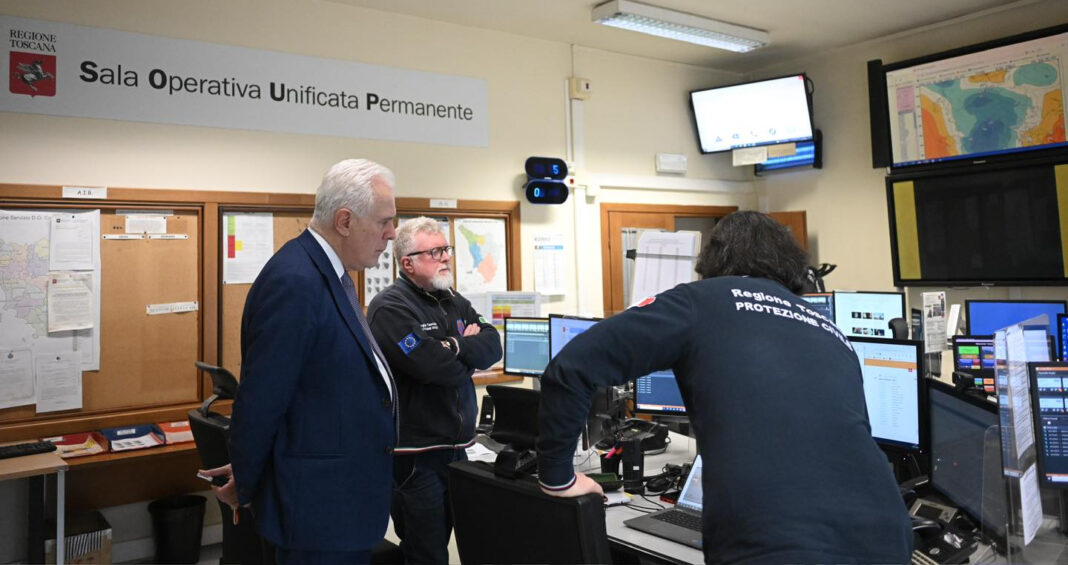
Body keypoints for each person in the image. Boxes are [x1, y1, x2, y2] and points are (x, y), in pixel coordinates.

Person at [535, 211, 912, 564]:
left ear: (712, 262)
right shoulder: (830, 330)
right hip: (886, 532)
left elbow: (571, 367)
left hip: (776, 538)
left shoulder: (699, 301)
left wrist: (557, 478)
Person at [206, 158, 399, 564]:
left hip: (338, 502)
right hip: (317, 512)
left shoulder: (329, 274)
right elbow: (262, 399)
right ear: (345, 220)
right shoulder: (297, 280)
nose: (391, 234)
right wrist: (248, 480)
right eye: (384, 221)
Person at [367, 216, 502, 564]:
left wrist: (452, 348)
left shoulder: (452, 298)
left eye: (447, 249)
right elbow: (431, 367)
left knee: (473, 544)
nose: (446, 257)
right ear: (408, 262)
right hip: (416, 457)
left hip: (457, 450)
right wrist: (463, 349)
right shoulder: (390, 307)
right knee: (426, 554)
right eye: (436, 251)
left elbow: (493, 345)